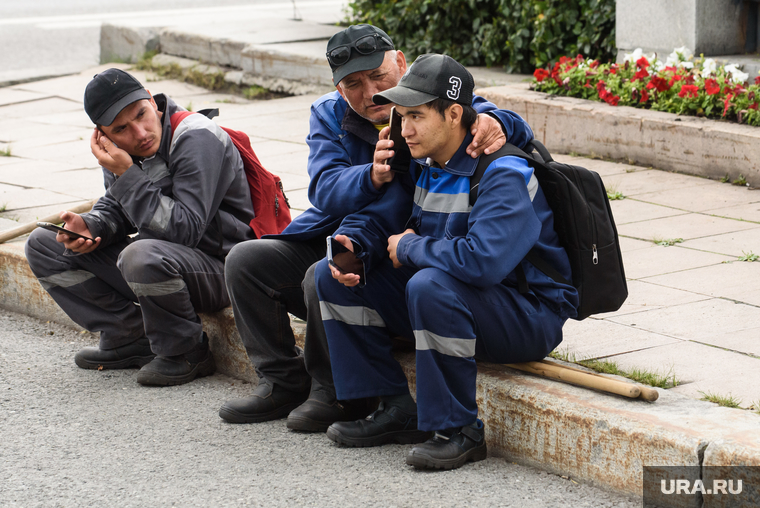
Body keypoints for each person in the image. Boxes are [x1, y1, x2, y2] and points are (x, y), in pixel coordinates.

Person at [218, 24, 534, 431]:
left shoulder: (433, 95)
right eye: (353, 84)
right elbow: (324, 189)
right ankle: (281, 381)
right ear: (337, 89)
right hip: (359, 233)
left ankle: (334, 391)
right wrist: (372, 174)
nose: (370, 94)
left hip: (416, 246)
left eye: (379, 77)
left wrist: (498, 122)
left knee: (327, 279)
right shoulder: (328, 115)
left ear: (400, 63)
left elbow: (482, 114)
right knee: (247, 260)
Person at [314, 54, 579, 470]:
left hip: (527, 315)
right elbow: (385, 217)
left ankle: (459, 430)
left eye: (416, 116)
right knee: (329, 277)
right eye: (401, 117)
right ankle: (397, 407)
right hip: (462, 301)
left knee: (428, 284)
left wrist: (411, 248)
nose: (404, 129)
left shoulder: (503, 172)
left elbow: (483, 262)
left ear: (454, 114)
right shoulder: (426, 162)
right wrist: (356, 245)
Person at [25, 68, 256, 386]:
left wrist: (128, 175)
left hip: (222, 269)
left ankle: (186, 350)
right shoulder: (120, 153)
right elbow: (119, 210)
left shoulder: (197, 138)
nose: (140, 132)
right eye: (121, 128)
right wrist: (91, 226)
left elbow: (185, 230)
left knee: (141, 255)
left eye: (142, 115)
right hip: (165, 265)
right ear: (103, 135)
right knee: (43, 244)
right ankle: (129, 335)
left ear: (152, 101)